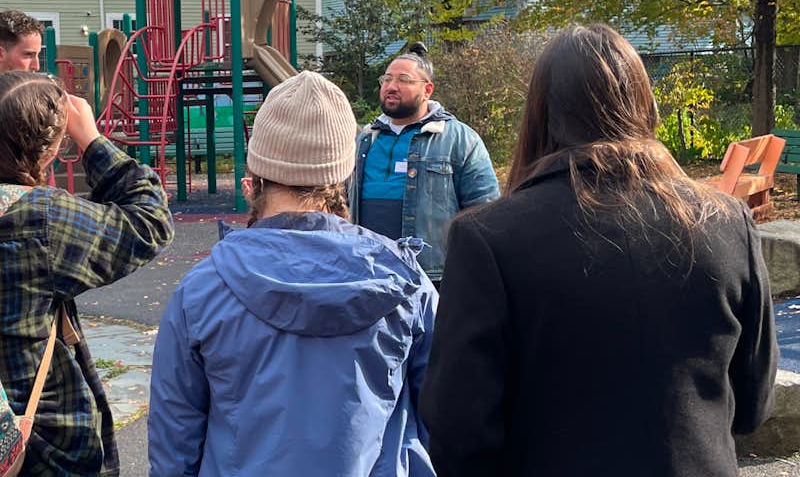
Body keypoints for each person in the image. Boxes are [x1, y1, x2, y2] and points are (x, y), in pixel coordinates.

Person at [419, 24, 778, 476]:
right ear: (644, 104)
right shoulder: (727, 224)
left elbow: (458, 428)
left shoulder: (489, 238)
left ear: (541, 113)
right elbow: (752, 403)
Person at [149, 70, 438, 476]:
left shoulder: (203, 288)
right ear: (344, 172)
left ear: (255, 178)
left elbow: (174, 439)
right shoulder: (406, 284)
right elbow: (445, 417)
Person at [0, 71, 174, 475]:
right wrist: (92, 140)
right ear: (47, 149)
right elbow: (148, 221)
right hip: (40, 441)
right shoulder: (38, 219)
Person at [351, 42, 500, 284]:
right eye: (387, 79)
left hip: (432, 279)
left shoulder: (459, 139)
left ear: (427, 90)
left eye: (404, 80)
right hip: (367, 273)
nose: (391, 86)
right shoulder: (365, 139)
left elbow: (486, 212)